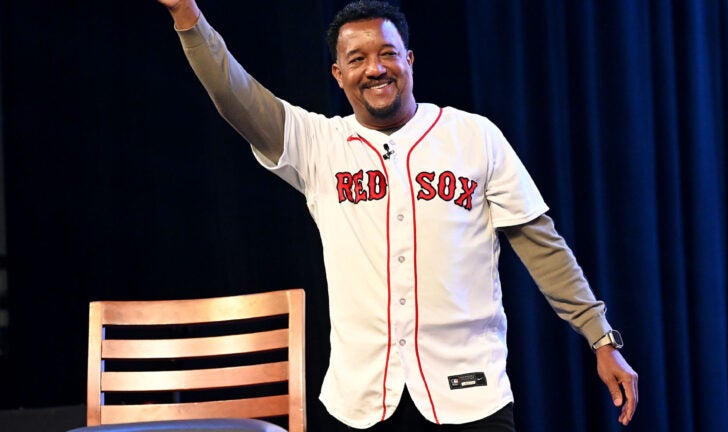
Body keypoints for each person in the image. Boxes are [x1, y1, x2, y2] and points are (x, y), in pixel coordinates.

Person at [155, 1, 639, 430]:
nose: (375, 68)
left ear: (408, 60)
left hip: (470, 398)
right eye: (357, 59)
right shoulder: (319, 143)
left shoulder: (474, 136)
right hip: (360, 402)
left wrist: (601, 337)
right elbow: (235, 94)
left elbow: (541, 244)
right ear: (338, 74)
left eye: (387, 53)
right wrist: (187, 14)